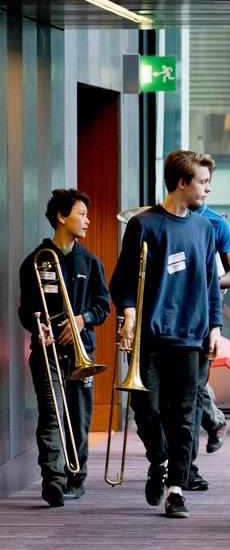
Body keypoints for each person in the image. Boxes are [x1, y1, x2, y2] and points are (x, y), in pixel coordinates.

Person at [110, 150, 222, 518]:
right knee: (147, 408)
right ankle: (157, 461)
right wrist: (128, 312)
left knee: (184, 413)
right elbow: (122, 281)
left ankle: (176, 487)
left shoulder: (205, 228)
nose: (208, 188)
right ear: (182, 183)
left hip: (190, 336)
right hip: (149, 337)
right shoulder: (144, 225)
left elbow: (210, 284)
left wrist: (216, 327)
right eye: (202, 182)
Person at [19, 189, 110, 507]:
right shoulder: (35, 262)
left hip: (80, 350)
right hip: (47, 352)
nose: (87, 220)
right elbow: (26, 308)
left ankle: (76, 476)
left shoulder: (91, 261)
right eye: (81, 213)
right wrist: (37, 324)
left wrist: (83, 320)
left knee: (78, 416)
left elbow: (103, 305)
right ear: (62, 216)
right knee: (52, 415)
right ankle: (54, 481)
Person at [187, 164, 230, 492]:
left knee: (190, 394)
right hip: (164, 321)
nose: (208, 189)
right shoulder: (154, 220)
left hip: (203, 319)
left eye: (210, 182)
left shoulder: (216, 223)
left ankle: (185, 469)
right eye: (202, 182)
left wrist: (205, 283)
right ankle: (215, 420)